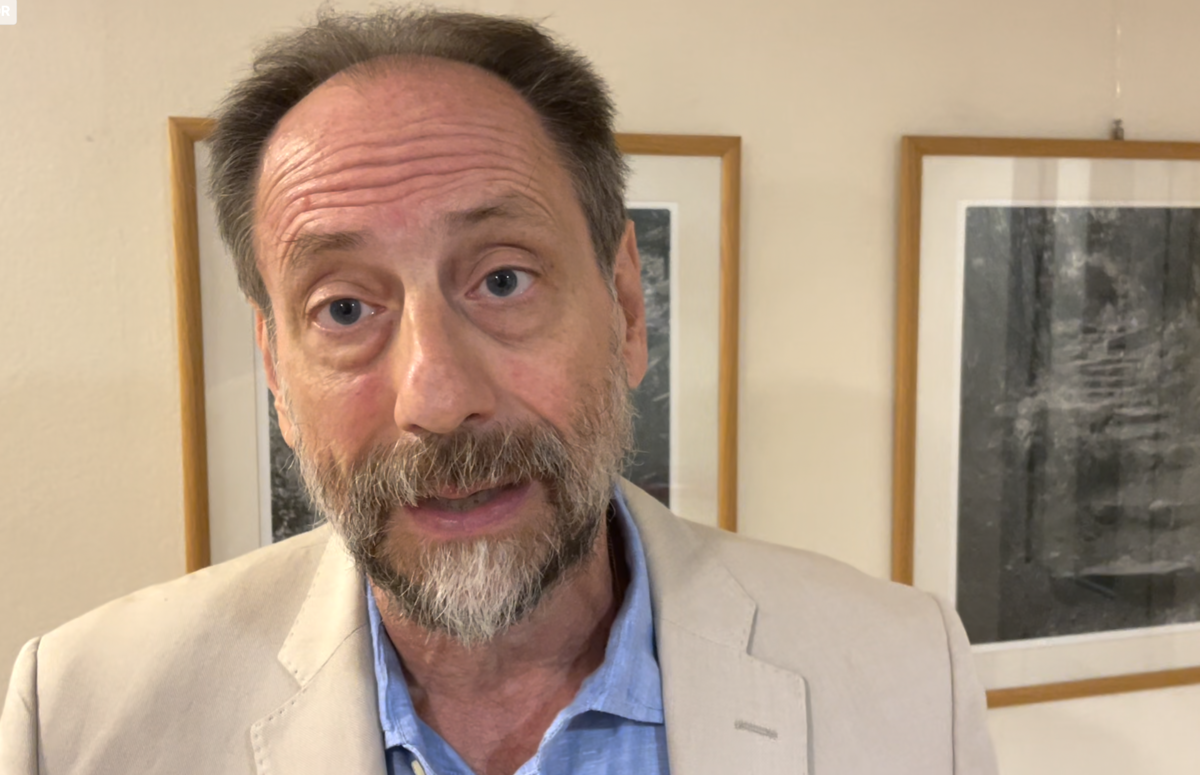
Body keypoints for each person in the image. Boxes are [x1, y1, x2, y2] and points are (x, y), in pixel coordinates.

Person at [0, 8, 997, 775]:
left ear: (626, 308)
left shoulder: (903, 674)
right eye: (344, 308)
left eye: (503, 279)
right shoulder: (85, 718)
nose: (436, 397)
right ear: (277, 374)